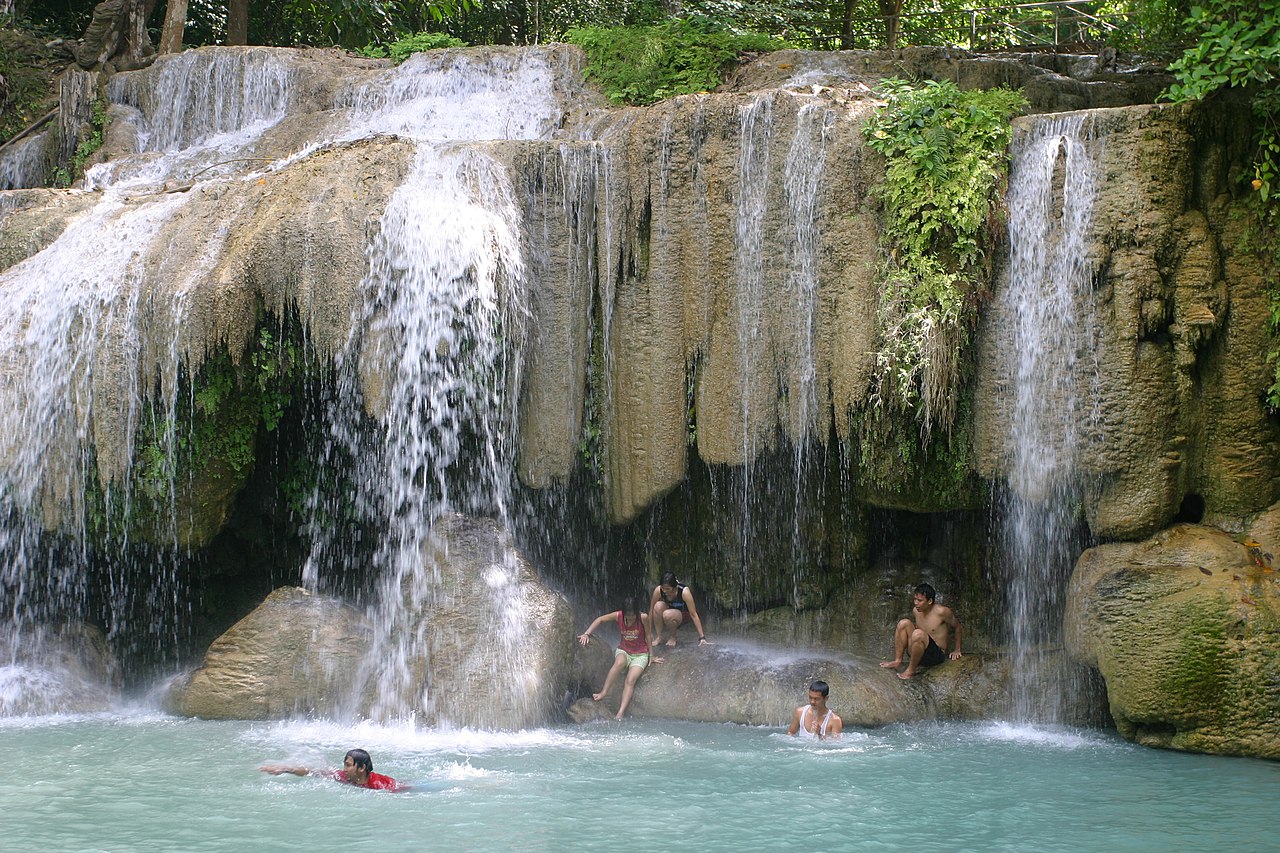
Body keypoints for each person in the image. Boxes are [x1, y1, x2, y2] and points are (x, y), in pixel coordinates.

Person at [578, 596, 664, 721]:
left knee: (630, 680)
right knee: (619, 662)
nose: (630, 618)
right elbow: (600, 619)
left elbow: (649, 635)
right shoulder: (618, 615)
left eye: (633, 615)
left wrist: (651, 655)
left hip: (640, 654)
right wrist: (586, 633)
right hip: (624, 650)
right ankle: (604, 692)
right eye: (628, 616)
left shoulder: (643, 617)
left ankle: (620, 712)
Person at [879, 582, 963, 680]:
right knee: (903, 623)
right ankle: (898, 661)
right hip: (918, 650)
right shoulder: (916, 611)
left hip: (936, 655)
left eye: (919, 600)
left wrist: (957, 649)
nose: (916, 603)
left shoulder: (942, 612)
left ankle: (911, 670)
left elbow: (958, 627)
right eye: (915, 599)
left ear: (930, 601)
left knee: (918, 633)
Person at [260, 748, 405, 792]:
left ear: (361, 768)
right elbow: (311, 771)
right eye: (344, 764)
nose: (344, 769)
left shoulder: (380, 785)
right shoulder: (342, 776)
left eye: (348, 765)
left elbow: (401, 790)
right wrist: (285, 769)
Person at [648, 572, 710, 647]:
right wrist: (649, 632)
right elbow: (651, 611)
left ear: (675, 586)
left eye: (668, 589)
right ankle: (659, 637)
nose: (664, 591)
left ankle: (672, 637)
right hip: (669, 613)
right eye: (663, 588)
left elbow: (693, 614)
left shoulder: (684, 592)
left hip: (683, 616)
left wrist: (702, 637)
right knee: (657, 606)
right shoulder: (658, 590)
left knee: (667, 614)